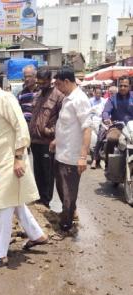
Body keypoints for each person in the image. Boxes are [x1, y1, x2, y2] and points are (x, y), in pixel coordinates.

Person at [0, 71, 48, 271]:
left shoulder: (5, 99)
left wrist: (18, 159)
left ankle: (0, 256)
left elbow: (21, 128)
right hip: (1, 165)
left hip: (10, 163)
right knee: (15, 203)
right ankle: (37, 235)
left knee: (3, 206)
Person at [50, 67, 92, 233]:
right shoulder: (68, 98)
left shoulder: (79, 99)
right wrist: (56, 140)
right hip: (62, 152)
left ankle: (66, 226)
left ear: (67, 82)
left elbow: (87, 129)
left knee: (69, 193)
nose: (58, 88)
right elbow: (66, 126)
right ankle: (68, 215)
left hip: (72, 156)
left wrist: (83, 157)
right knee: (61, 188)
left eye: (59, 84)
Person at [29, 68, 64, 208]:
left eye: (44, 82)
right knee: (37, 171)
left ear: (50, 80)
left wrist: (50, 131)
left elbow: (62, 120)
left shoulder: (58, 96)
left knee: (47, 173)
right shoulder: (37, 95)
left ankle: (46, 200)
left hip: (47, 141)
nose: (41, 85)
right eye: (39, 82)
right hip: (35, 140)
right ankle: (39, 197)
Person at [101, 76, 133, 165]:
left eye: (125, 86)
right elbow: (106, 111)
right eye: (121, 85)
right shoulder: (112, 98)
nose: (123, 88)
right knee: (111, 138)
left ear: (129, 86)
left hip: (131, 127)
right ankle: (108, 162)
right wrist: (106, 118)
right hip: (117, 126)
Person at [89, 87, 107, 169]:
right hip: (92, 122)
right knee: (93, 141)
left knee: (100, 139)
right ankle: (94, 158)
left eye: (100, 93)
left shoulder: (104, 101)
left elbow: (106, 112)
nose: (98, 94)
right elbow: (87, 112)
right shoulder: (90, 101)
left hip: (102, 123)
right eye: (97, 93)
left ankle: (95, 160)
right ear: (94, 93)